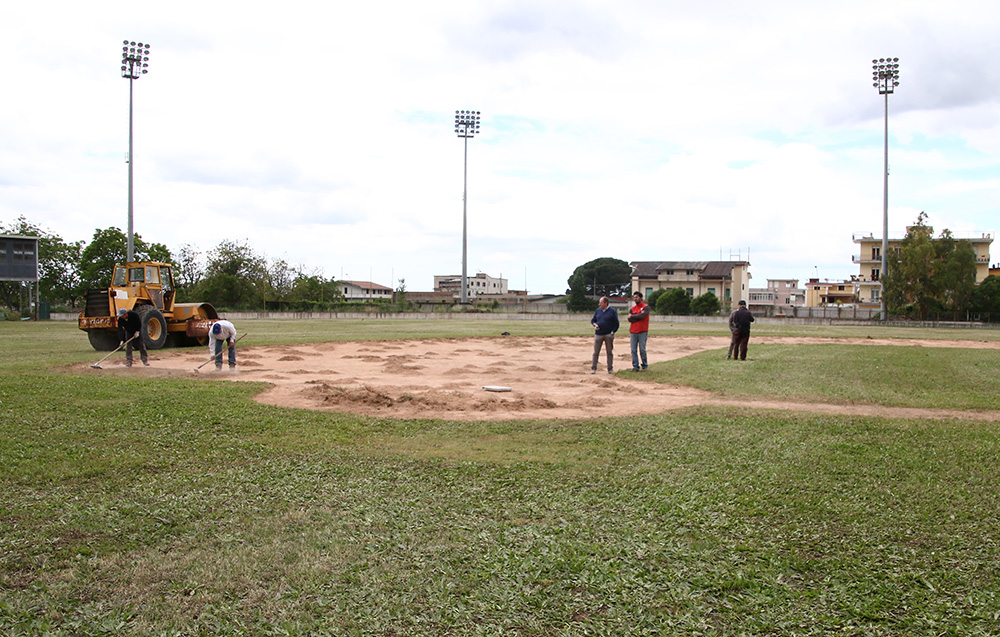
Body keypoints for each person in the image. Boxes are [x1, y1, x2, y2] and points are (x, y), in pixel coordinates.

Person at [590, 296, 620, 374]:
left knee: (609, 352)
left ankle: (610, 369)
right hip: (598, 334)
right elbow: (593, 320)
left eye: (601, 302)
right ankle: (593, 368)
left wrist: (613, 332)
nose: (599, 304)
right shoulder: (598, 311)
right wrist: (594, 324)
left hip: (608, 334)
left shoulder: (612, 311)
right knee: (596, 352)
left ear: (605, 303)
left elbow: (616, 323)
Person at [627, 291, 650, 371]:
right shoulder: (632, 309)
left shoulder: (645, 307)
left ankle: (644, 365)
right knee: (633, 350)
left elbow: (643, 316)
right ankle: (635, 366)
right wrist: (636, 317)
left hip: (642, 331)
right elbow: (630, 319)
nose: (635, 299)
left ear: (641, 298)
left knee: (642, 349)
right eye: (634, 297)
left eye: (636, 297)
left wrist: (633, 317)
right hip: (633, 331)